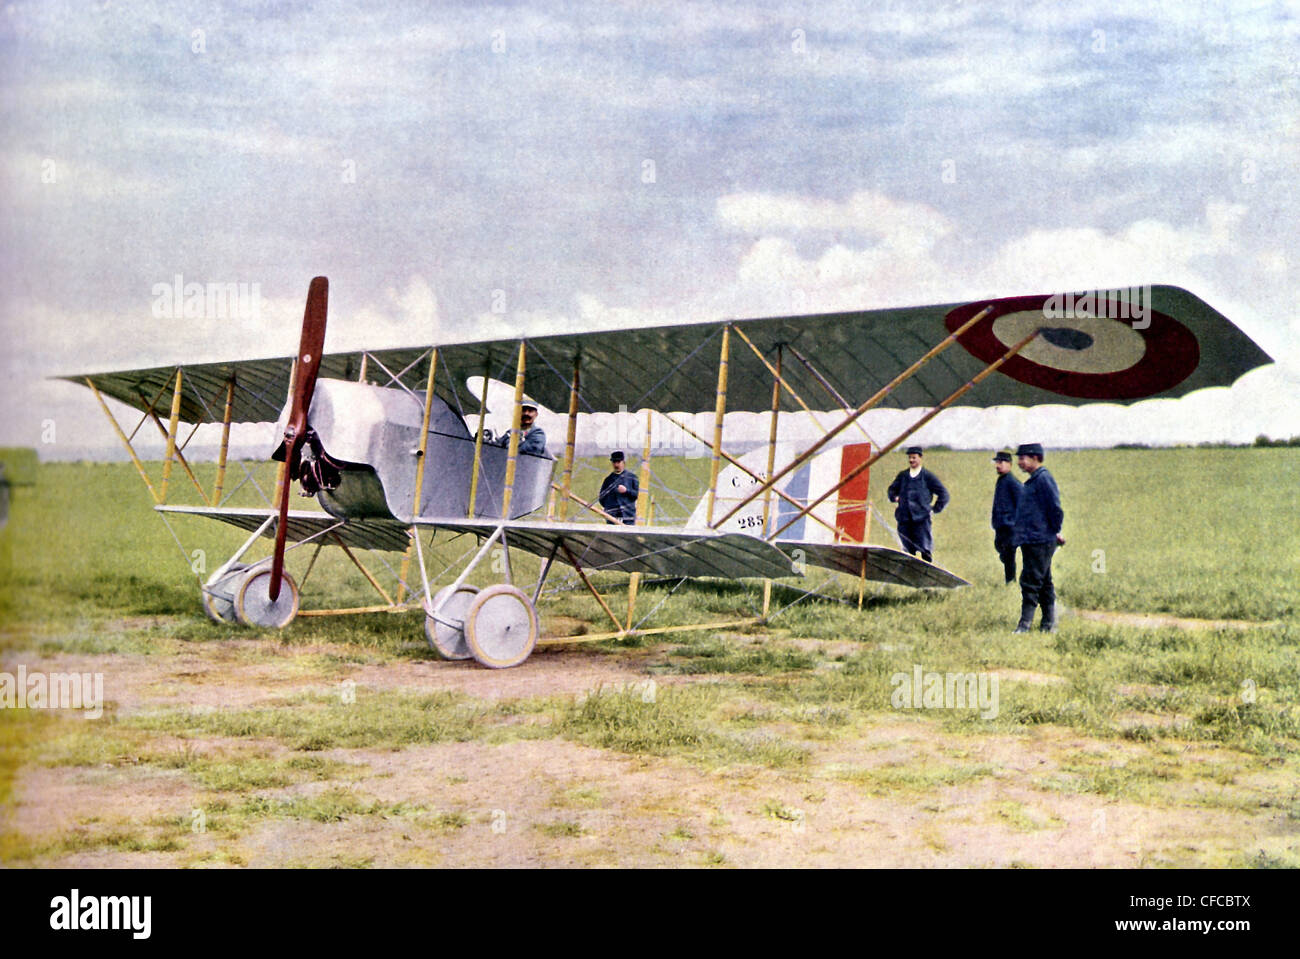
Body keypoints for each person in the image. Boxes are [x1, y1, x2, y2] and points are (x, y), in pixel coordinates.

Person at [1011, 442, 1065, 633]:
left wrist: (1054, 531)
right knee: (1044, 581)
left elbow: (1055, 509)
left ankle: (1024, 625)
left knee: (1030, 580)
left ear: (1035, 458)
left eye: (1022, 458)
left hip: (1040, 540)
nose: (1019, 462)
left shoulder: (1043, 479)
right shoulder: (1035, 480)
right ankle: (1049, 624)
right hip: (1032, 539)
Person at [886, 446, 949, 564]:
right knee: (908, 551)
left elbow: (944, 494)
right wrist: (895, 497)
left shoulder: (927, 476)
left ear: (920, 458)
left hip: (921, 519)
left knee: (925, 550)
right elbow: (891, 490)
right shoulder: (903, 475)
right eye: (909, 458)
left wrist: (934, 509)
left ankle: (927, 574)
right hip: (904, 518)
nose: (911, 460)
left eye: (914, 457)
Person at [990, 450, 1023, 584]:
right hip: (1001, 526)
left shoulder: (1012, 482)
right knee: (1002, 551)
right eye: (997, 462)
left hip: (1009, 527)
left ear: (1009, 464)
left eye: (1001, 462)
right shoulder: (1001, 480)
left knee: (1009, 555)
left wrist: (1013, 521)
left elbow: (1023, 502)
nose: (998, 465)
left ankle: (1011, 582)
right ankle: (1011, 580)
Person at [598, 451, 639, 524]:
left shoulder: (632, 477)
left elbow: (637, 495)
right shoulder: (608, 480)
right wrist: (609, 507)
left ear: (623, 462)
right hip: (612, 516)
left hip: (628, 515)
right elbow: (601, 498)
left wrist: (626, 491)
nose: (616, 464)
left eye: (618, 462)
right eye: (614, 462)